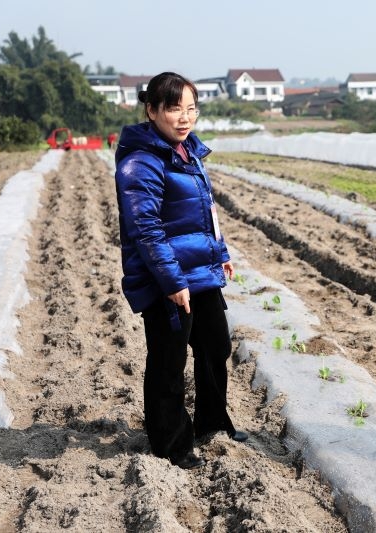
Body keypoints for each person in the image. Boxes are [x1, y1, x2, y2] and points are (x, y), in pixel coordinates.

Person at [114, 72, 247, 470]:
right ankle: (170, 441)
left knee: (214, 347)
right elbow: (146, 229)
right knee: (169, 360)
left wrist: (219, 252)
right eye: (174, 109)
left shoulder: (187, 151)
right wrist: (172, 282)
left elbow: (204, 213)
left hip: (200, 271)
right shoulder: (141, 162)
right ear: (152, 110)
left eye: (191, 108)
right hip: (166, 279)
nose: (184, 117)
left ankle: (213, 422)